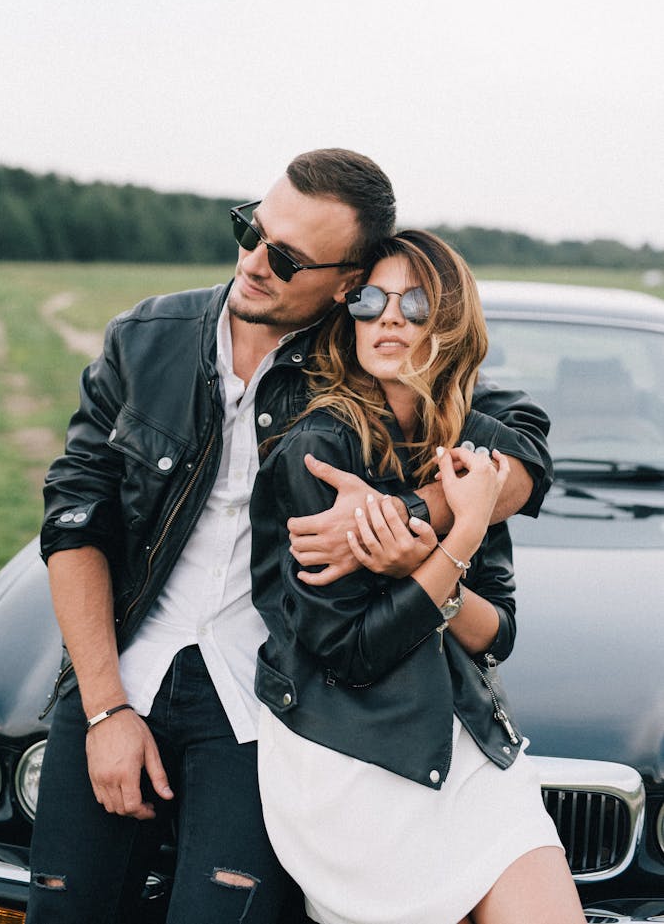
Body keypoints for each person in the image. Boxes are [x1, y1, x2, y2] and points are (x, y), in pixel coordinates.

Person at [28, 150, 553, 924]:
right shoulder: (146, 338)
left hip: (263, 694)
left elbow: (520, 443)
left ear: (346, 283)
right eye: (251, 229)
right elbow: (74, 513)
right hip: (123, 663)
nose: (253, 262)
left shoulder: (361, 362)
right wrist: (105, 711)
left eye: (285, 258)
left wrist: (406, 513)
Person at [250, 230, 586, 924]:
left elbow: (497, 632)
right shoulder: (318, 447)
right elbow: (351, 650)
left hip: (467, 740)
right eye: (370, 299)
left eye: (414, 300)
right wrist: (458, 534)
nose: (390, 316)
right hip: (350, 751)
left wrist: (427, 565)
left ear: (450, 319)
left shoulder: (469, 443)